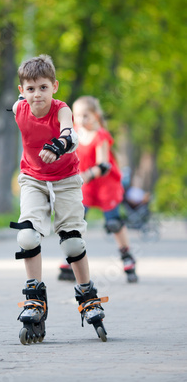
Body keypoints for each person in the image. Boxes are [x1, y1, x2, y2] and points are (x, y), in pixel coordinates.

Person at [10, 56, 108, 344]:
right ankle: (34, 297)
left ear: (54, 86)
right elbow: (20, 102)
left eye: (43, 87)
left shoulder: (61, 109)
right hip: (33, 179)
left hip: (65, 179)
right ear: (22, 90)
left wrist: (60, 144)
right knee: (27, 237)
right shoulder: (19, 108)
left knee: (73, 242)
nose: (37, 94)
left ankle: (88, 295)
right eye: (30, 89)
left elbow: (70, 132)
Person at [58, 95, 138, 283]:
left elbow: (104, 165)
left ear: (95, 115)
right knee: (76, 221)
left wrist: (86, 175)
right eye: (77, 116)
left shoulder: (101, 135)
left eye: (86, 116)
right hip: (85, 186)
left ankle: (127, 257)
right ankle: (71, 259)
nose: (81, 120)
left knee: (114, 223)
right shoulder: (74, 133)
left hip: (105, 184)